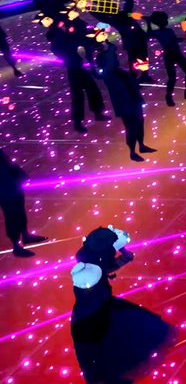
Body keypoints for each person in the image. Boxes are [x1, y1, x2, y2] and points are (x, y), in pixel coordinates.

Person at [71, 226, 174, 384]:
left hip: (98, 308)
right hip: (97, 311)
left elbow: (105, 268)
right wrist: (123, 256)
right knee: (110, 344)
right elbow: (105, 269)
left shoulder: (89, 257)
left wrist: (123, 255)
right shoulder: (90, 267)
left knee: (106, 348)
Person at [95, 30, 154, 162]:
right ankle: (133, 152)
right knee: (131, 126)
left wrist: (139, 73)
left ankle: (141, 146)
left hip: (133, 101)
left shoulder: (120, 72)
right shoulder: (109, 75)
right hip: (125, 104)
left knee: (139, 123)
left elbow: (133, 83)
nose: (116, 59)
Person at [44, 13, 107, 134]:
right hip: (75, 68)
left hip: (75, 67)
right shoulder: (61, 42)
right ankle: (86, 119)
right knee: (84, 93)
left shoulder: (59, 42)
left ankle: (86, 119)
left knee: (85, 92)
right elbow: (74, 45)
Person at [0, 149, 46, 258]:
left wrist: (20, 174)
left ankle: (25, 236)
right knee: (11, 215)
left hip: (11, 184)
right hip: (5, 186)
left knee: (19, 211)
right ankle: (16, 245)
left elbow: (7, 162)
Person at [146, 12, 186, 107]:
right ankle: (180, 94)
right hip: (173, 54)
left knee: (177, 76)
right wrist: (148, 23)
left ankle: (174, 96)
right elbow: (149, 34)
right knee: (178, 76)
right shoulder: (162, 32)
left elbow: (173, 40)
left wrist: (183, 38)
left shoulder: (163, 32)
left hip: (172, 54)